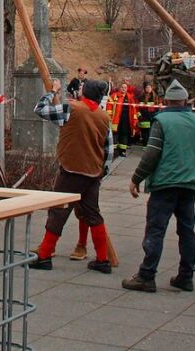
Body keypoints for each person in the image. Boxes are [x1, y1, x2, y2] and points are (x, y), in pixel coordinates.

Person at [121, 80, 195, 292]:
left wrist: (136, 178)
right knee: (187, 231)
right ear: (185, 100)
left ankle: (146, 275)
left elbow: (151, 153)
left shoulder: (162, 121)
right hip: (190, 184)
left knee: (156, 230)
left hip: (165, 184)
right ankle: (186, 276)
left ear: (166, 101)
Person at [31, 79, 114, 274]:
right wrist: (102, 171)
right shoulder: (104, 117)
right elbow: (109, 149)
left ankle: (44, 255)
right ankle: (102, 259)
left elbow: (40, 109)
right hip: (93, 173)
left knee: (58, 212)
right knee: (93, 214)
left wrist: (52, 92)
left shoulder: (72, 108)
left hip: (71, 170)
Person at [108, 78, 138, 157]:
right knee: (115, 134)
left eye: (125, 87)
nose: (123, 89)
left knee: (124, 135)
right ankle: (113, 150)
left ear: (127, 89)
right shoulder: (114, 96)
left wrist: (134, 119)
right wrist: (109, 117)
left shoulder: (130, 97)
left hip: (126, 119)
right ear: (119, 88)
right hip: (116, 119)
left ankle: (122, 151)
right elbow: (109, 107)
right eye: (122, 87)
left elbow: (134, 109)